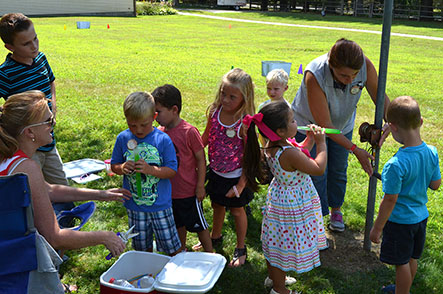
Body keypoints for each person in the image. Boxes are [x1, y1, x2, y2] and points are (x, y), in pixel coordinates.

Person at [0, 90, 131, 293]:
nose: (53, 125)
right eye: (48, 121)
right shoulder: (27, 169)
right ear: (30, 132)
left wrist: (101, 194)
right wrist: (105, 236)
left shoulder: (8, 161)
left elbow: (48, 190)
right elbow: (55, 237)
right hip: (18, 268)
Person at [291, 38, 391, 232]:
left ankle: (335, 209)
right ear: (331, 65)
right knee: (316, 173)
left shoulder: (365, 65)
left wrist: (390, 122)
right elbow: (325, 125)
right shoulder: (315, 74)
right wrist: (355, 149)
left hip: (342, 126)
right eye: (345, 75)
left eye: (355, 74)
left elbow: (381, 99)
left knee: (338, 170)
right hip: (311, 128)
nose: (352, 80)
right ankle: (316, 221)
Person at [242, 101, 328, 294]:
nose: (296, 123)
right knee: (281, 247)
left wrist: (310, 141)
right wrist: (322, 144)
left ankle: (274, 278)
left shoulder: (273, 145)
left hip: (280, 200)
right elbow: (318, 168)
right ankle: (279, 290)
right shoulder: (287, 152)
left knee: (275, 243)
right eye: (293, 120)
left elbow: (299, 152)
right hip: (293, 204)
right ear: (280, 131)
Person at [0, 13, 72, 213]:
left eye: (35, 38)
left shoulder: (41, 59)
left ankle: (68, 224)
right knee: (35, 195)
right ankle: (45, 234)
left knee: (62, 187)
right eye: (26, 43)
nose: (34, 46)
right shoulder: (5, 73)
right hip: (27, 149)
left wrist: (53, 106)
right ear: (10, 47)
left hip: (49, 143)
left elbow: (50, 81)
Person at [369, 96, 441, 294]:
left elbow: (390, 199)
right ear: (421, 122)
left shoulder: (395, 164)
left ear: (392, 127)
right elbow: (435, 185)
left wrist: (377, 228)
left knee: (400, 263)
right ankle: (405, 289)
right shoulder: (432, 152)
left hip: (400, 222)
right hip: (421, 219)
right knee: (411, 258)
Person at [111, 91, 181, 256]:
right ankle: (147, 275)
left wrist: (151, 170)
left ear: (154, 116)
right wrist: (122, 168)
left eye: (143, 124)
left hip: (160, 206)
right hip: (135, 206)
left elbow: (172, 170)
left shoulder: (162, 140)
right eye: (132, 125)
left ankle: (173, 276)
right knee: (142, 250)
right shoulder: (123, 138)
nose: (138, 130)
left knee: (171, 247)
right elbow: (114, 165)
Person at [201, 68, 255, 267]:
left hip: (237, 176)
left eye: (232, 96)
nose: (225, 99)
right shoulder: (214, 112)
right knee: (217, 205)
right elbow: (206, 137)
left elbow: (251, 157)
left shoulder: (246, 122)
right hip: (216, 172)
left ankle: (241, 247)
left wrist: (241, 185)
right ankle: (215, 235)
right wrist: (193, 152)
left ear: (245, 98)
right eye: (223, 93)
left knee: (237, 211)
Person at [152, 84, 213, 253]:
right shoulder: (159, 132)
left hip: (189, 192)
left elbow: (201, 160)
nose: (155, 116)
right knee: (177, 224)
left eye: (158, 111)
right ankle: (180, 254)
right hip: (169, 192)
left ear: (174, 109)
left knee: (199, 225)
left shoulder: (189, 132)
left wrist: (200, 185)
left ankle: (211, 254)